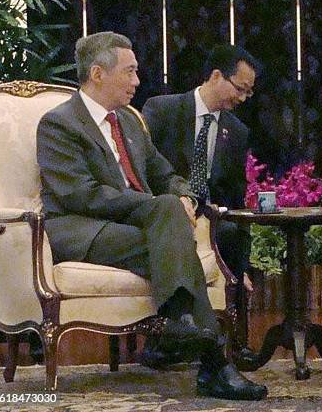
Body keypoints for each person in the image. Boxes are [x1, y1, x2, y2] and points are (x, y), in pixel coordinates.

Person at [36, 32, 267, 401]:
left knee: (169, 228)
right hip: (79, 230)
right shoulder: (58, 123)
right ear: (97, 73)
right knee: (168, 225)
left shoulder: (127, 122)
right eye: (129, 72)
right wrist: (159, 205)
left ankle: (184, 327)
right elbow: (78, 194)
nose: (137, 82)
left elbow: (163, 174)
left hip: (132, 228)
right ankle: (212, 363)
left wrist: (183, 194)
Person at [142, 44, 259, 365]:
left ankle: (235, 343)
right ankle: (162, 341)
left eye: (249, 93)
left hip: (209, 220)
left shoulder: (236, 131)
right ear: (216, 76)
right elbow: (143, 172)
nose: (243, 98)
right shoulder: (162, 110)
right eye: (240, 89)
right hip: (166, 212)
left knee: (234, 233)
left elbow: (235, 196)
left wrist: (243, 267)